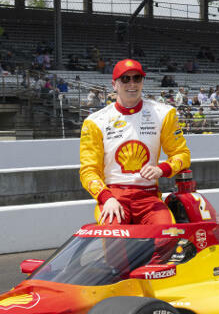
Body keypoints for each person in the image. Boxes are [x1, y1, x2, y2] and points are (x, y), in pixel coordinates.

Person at [79, 59, 190, 225]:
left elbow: (182, 155)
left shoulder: (163, 113)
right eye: (125, 79)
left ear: (142, 82)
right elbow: (88, 170)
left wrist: (162, 169)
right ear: (114, 84)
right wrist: (106, 198)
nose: (132, 83)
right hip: (113, 197)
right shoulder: (95, 121)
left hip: (149, 197)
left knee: (166, 235)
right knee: (114, 238)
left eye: (137, 78)